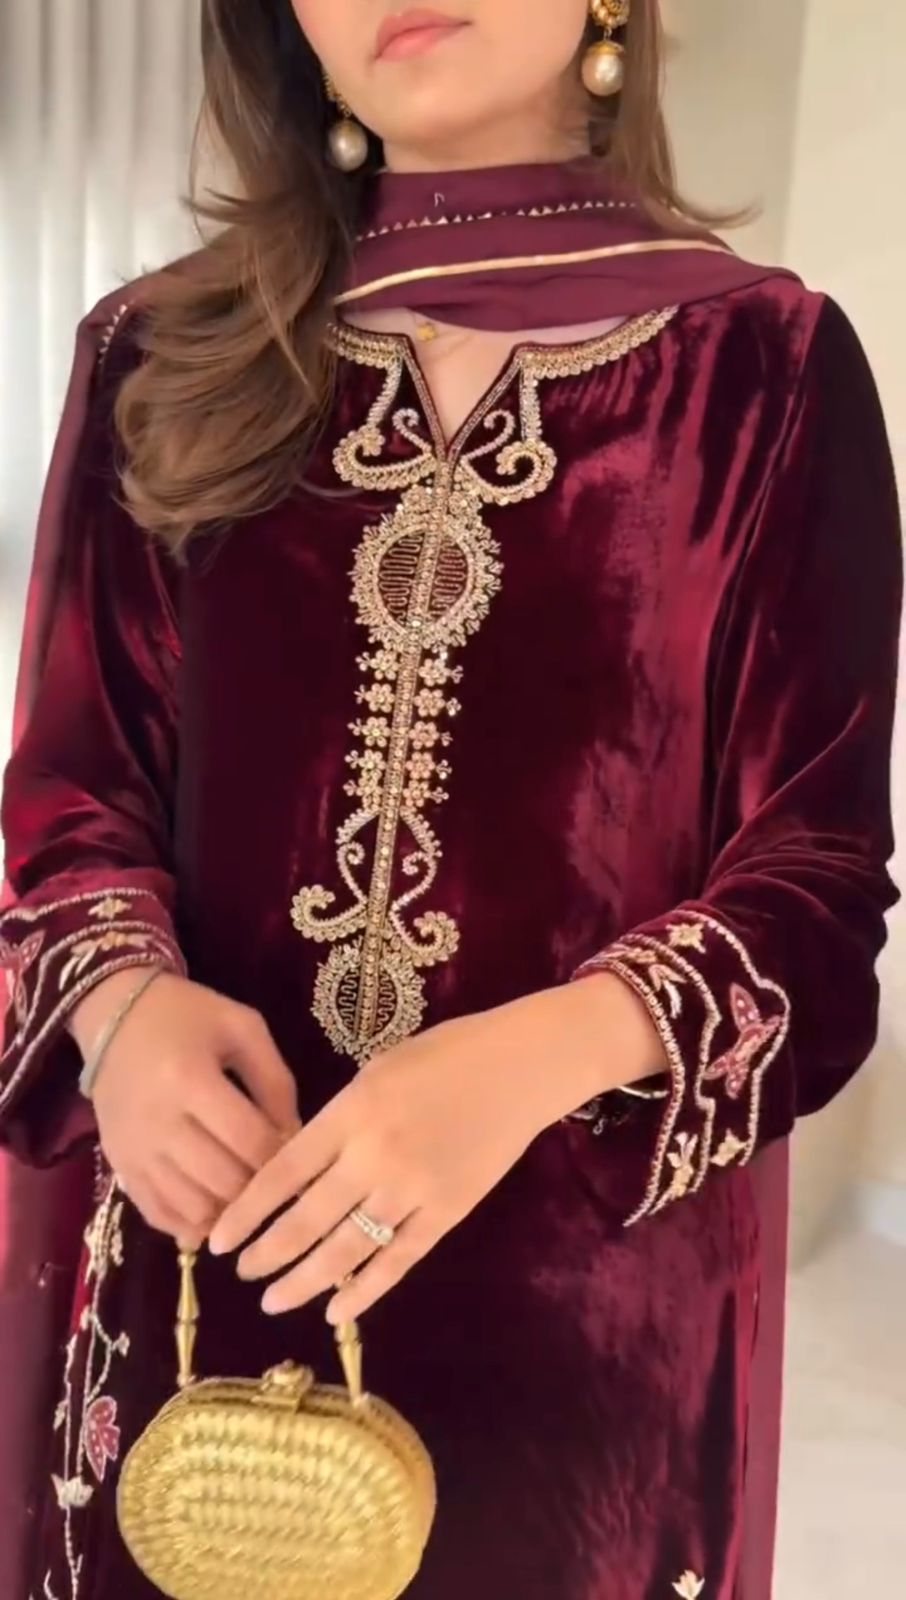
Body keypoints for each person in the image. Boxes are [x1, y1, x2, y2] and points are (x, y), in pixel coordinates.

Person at [0, 1, 900, 1596]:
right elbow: (70, 796)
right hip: (201, 1248)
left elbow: (813, 893)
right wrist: (123, 1014)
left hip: (585, 1299)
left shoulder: (759, 369)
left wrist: (522, 1062)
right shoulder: (160, 351)